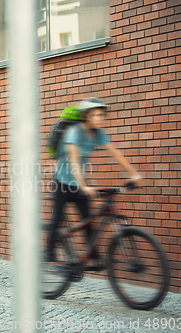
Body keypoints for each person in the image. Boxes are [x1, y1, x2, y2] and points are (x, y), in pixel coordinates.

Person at [47, 97, 142, 268]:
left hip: (80, 185)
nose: (100, 118)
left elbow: (115, 154)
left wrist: (134, 174)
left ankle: (93, 256)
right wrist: (83, 185)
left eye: (102, 115)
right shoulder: (74, 132)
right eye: (96, 115)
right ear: (86, 116)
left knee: (88, 220)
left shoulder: (98, 134)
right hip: (62, 183)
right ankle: (48, 255)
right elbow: (74, 161)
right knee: (57, 220)